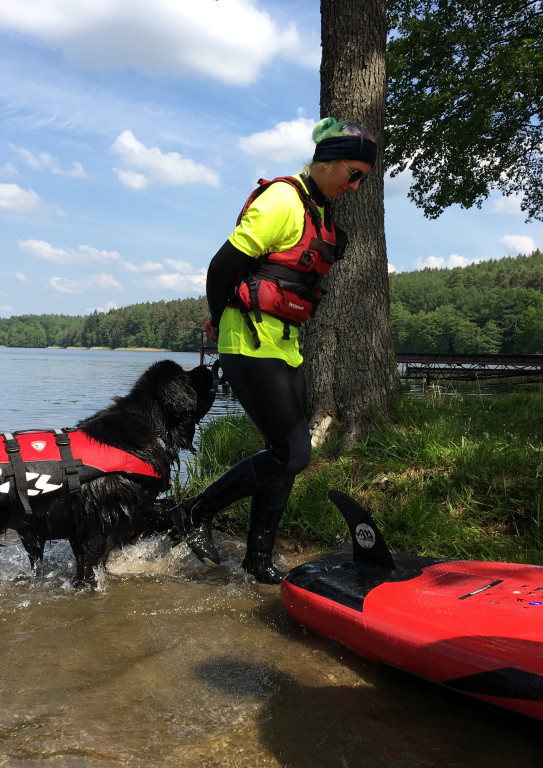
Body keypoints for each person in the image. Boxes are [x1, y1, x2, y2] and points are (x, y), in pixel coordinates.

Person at [173, 117, 377, 584]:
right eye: (355, 174)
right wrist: (219, 315)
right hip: (247, 338)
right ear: (329, 161)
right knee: (294, 452)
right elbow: (222, 266)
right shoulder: (284, 199)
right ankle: (193, 511)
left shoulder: (321, 211)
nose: (356, 186)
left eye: (363, 178)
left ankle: (258, 560)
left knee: (282, 453)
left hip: (285, 345)